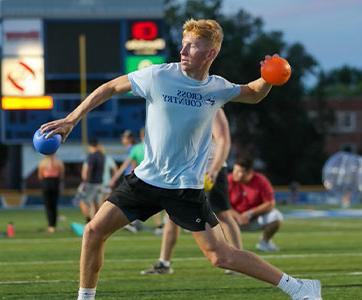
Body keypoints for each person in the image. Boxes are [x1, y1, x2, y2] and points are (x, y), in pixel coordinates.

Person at [40, 18, 321, 300]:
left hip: (184, 190)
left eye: (193, 47)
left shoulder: (217, 88)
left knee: (221, 257)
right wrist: (71, 119)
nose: (184, 51)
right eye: (183, 45)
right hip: (145, 182)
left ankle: (299, 288)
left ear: (210, 54)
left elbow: (254, 93)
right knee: (93, 232)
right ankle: (85, 298)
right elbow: (111, 87)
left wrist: (269, 77)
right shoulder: (158, 76)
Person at [141, 108, 243, 275]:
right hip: (187, 170)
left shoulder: (213, 107)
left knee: (223, 215)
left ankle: (240, 260)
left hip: (211, 169)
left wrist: (215, 169)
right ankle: (164, 263)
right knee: (172, 217)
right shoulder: (184, 106)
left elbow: (223, 141)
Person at [229, 156, 284, 252]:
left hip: (254, 219)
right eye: (234, 170)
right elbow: (221, 205)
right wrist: (237, 216)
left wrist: (250, 213)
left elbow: (270, 203)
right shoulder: (227, 180)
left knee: (276, 216)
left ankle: (264, 243)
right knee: (215, 216)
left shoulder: (261, 180)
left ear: (249, 172)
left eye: (239, 171)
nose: (234, 174)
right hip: (232, 220)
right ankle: (225, 247)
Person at [78, 138, 106, 221]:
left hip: (91, 183)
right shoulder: (102, 156)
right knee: (96, 203)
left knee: (84, 202)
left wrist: (85, 182)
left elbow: (89, 168)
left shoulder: (91, 156)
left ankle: (89, 220)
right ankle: (97, 221)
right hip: (100, 182)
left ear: (89, 146)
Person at [37, 153, 65, 233]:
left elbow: (40, 175)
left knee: (48, 205)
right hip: (55, 182)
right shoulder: (58, 162)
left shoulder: (42, 162)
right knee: (54, 205)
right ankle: (53, 225)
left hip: (46, 183)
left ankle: (51, 226)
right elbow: (61, 175)